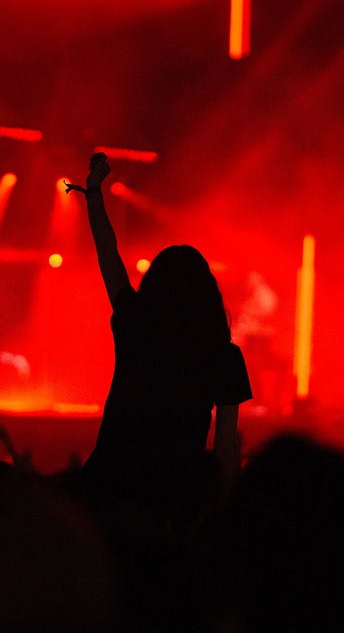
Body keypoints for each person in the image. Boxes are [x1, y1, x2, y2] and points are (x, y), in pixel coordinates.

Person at [65, 153, 252, 500]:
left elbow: (108, 254)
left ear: (154, 285)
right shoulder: (225, 357)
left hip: (111, 482)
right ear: (208, 296)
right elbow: (225, 448)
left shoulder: (135, 324)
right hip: (174, 494)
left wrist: (94, 196)